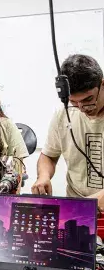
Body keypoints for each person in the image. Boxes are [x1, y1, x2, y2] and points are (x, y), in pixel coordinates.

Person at [32, 54, 104, 204]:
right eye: (73, 102)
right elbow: (49, 156)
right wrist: (43, 176)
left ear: (102, 85)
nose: (82, 108)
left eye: (88, 99)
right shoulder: (63, 115)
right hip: (76, 207)